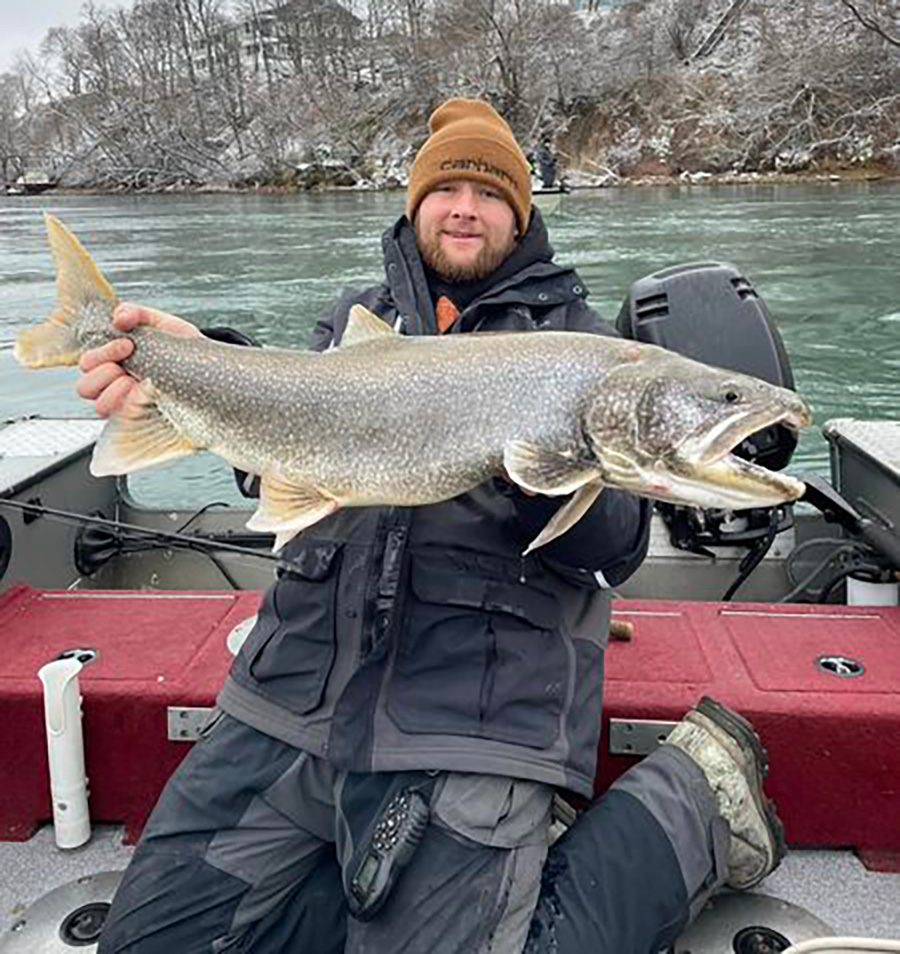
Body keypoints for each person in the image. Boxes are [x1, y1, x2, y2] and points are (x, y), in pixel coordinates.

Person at [77, 99, 784, 954]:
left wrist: (546, 462)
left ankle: (690, 800)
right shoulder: (352, 324)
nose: (463, 207)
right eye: (444, 187)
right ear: (415, 205)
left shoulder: (585, 346)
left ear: (519, 215)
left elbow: (618, 549)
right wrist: (197, 361)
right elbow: (279, 448)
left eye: (488, 193)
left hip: (473, 715)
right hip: (290, 699)